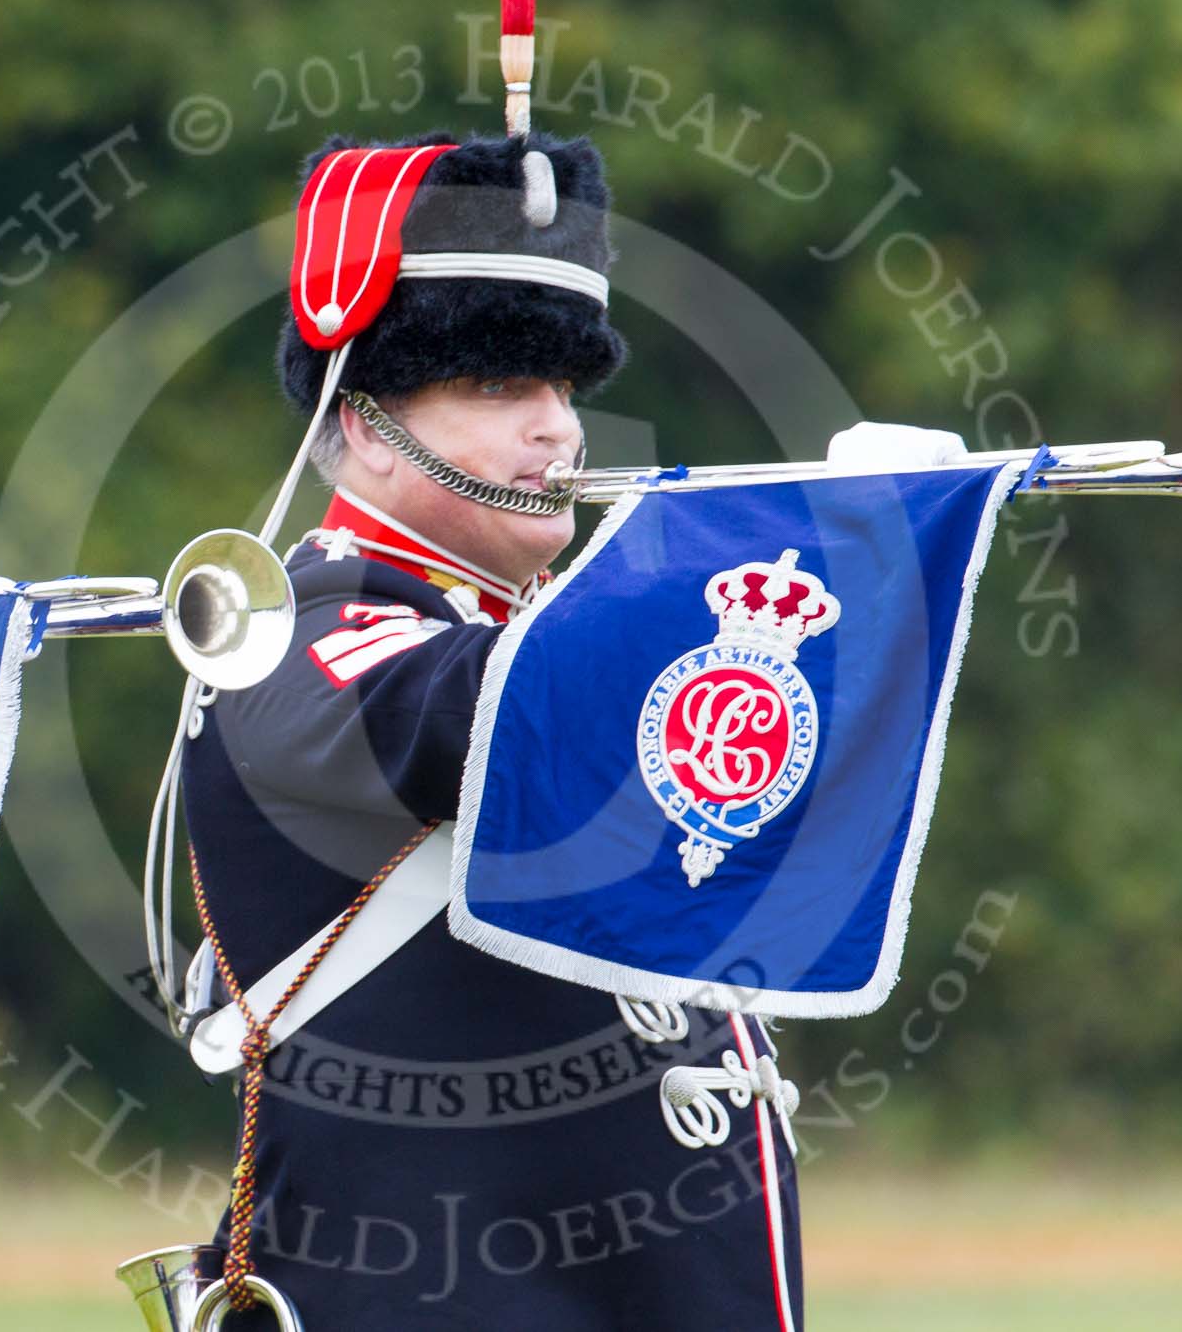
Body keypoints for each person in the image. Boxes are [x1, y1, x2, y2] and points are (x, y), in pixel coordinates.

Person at [174, 125, 804, 1330]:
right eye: (500, 385)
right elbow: (483, 719)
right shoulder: (292, 629)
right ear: (362, 423)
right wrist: (815, 559)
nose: (557, 430)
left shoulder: (517, 622)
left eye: (564, 388)